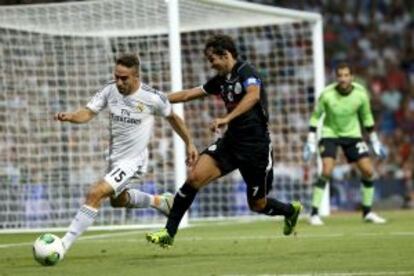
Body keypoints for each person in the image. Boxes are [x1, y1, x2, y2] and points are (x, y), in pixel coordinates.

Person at [146, 34, 302, 248]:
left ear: (226, 54)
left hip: (256, 148)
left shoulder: (246, 71)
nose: (210, 64)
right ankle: (169, 232)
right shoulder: (220, 80)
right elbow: (189, 94)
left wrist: (227, 118)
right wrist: (155, 97)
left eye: (212, 59)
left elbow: (253, 96)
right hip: (230, 143)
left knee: (257, 205)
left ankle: (290, 211)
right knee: (194, 177)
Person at [54, 53, 198, 255]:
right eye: (117, 76)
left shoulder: (152, 97)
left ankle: (62, 245)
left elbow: (173, 118)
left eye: (124, 78)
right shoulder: (109, 90)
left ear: (136, 76)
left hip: (134, 160)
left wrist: (189, 142)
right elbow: (88, 112)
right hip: (115, 158)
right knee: (118, 201)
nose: (119, 82)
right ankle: (160, 202)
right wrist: (71, 116)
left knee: (95, 192)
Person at [303, 62, 387, 225]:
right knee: (327, 170)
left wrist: (375, 141)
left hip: (352, 135)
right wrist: (310, 141)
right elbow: (315, 117)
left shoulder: (361, 94)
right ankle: (314, 213)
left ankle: (367, 212)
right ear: (336, 77)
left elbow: (367, 117)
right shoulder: (327, 94)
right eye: (340, 76)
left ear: (351, 77)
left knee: (368, 171)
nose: (343, 79)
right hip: (330, 134)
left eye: (346, 75)